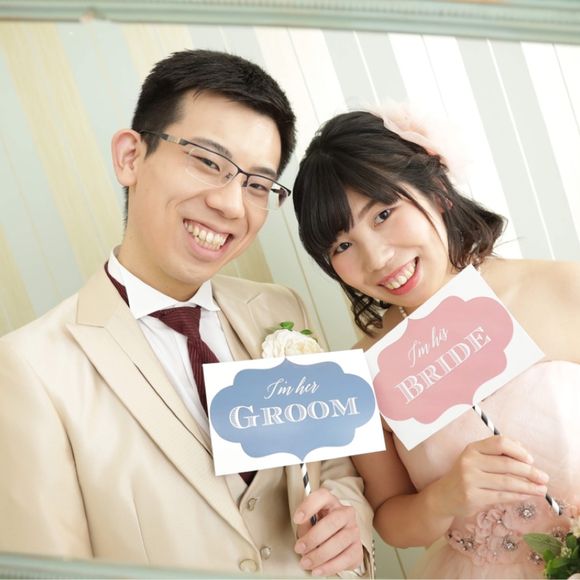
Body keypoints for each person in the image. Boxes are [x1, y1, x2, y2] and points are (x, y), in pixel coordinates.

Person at [0, 49, 374, 578]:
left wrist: (348, 524)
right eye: (208, 161)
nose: (231, 205)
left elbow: (334, 467)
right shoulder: (28, 369)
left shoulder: (279, 308)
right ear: (131, 157)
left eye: (257, 185)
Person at [292, 105, 580, 578]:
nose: (377, 258)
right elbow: (391, 518)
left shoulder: (563, 288)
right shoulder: (363, 372)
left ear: (437, 191)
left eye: (384, 213)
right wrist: (445, 497)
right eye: (342, 245)